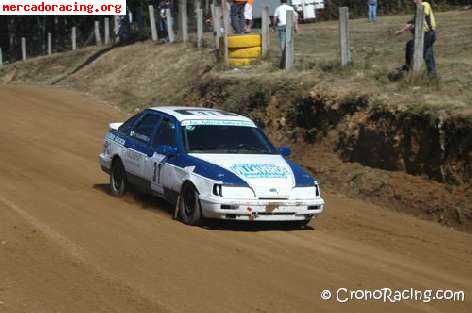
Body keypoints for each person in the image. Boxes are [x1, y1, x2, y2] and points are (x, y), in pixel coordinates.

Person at [395, 0, 437, 76]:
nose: (414, 1)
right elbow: (412, 22)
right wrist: (401, 31)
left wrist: (412, 24)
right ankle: (432, 73)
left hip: (428, 34)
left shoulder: (425, 4)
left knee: (416, 49)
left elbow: (419, 17)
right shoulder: (418, 9)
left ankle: (410, 68)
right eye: (412, 0)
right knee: (427, 53)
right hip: (423, 35)